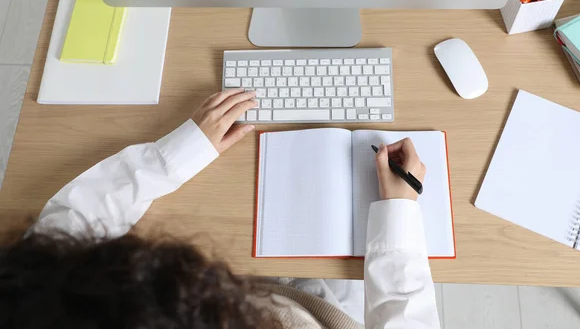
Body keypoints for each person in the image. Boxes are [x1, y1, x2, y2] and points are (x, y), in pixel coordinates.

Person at [0, 89, 440, 329]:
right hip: (325, 312)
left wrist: (178, 153)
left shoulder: (40, 304)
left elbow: (64, 238)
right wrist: (398, 214)